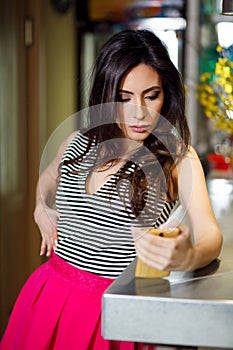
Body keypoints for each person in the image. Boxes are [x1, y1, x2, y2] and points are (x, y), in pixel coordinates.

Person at [0, 29, 222, 350]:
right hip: (47, 296)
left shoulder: (178, 158)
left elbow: (211, 237)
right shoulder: (77, 141)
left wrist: (188, 256)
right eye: (124, 97)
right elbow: (48, 179)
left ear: (166, 94)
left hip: (112, 314)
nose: (139, 113)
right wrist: (41, 206)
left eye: (151, 95)